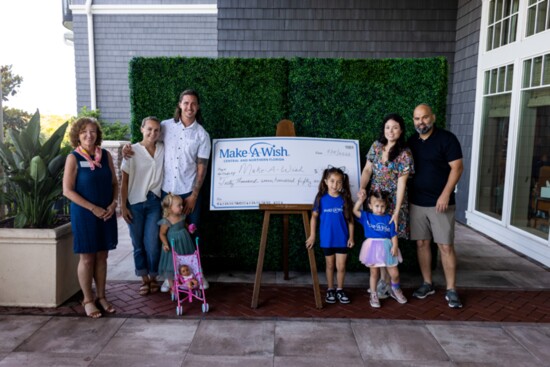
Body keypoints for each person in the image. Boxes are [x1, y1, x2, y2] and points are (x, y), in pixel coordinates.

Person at [123, 89, 211, 291]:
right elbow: (146, 139)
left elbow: (201, 167)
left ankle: (198, 273)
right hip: (167, 193)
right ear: (179, 104)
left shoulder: (202, 135)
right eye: (186, 103)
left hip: (189, 192)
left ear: (198, 107)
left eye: (193, 104)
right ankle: (170, 276)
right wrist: (127, 148)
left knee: (192, 233)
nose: (189, 107)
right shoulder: (165, 126)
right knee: (168, 235)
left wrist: (194, 195)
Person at [408, 103, 464, 309]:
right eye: (416, 118)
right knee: (422, 243)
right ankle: (427, 283)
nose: (420, 122)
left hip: (441, 203)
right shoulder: (411, 142)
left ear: (433, 117)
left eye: (424, 117)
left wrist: (445, 194)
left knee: (445, 246)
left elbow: (457, 168)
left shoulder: (447, 139)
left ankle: (451, 289)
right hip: (416, 202)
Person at [63, 117, 118, 318]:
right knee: (87, 258)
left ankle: (102, 296)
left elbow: (114, 183)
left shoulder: (105, 156)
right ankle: (88, 299)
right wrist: (93, 208)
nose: (89, 135)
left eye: (93, 131)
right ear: (77, 135)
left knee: (103, 255)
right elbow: (67, 191)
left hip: (106, 213)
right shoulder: (73, 158)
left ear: (98, 135)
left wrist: (113, 204)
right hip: (85, 214)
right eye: (84, 131)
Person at [358, 113, 413, 299]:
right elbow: (367, 169)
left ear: (401, 130)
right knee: (378, 241)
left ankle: (390, 284)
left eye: (395, 127)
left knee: (390, 242)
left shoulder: (405, 153)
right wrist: (362, 188)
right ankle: (382, 284)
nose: (391, 131)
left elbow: (402, 184)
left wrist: (396, 212)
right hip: (375, 201)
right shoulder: (376, 146)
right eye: (388, 127)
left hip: (393, 204)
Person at [120, 116, 164, 296]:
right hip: (135, 203)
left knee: (153, 243)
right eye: (149, 129)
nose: (152, 133)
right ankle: (144, 278)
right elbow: (124, 181)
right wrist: (123, 206)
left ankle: (153, 276)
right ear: (142, 129)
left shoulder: (163, 149)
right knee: (137, 243)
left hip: (154, 202)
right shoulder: (132, 151)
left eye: (156, 130)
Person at [306, 167, 355, 304]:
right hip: (327, 239)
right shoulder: (321, 198)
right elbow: (314, 217)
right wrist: (312, 236)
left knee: (341, 266)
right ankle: (330, 289)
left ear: (342, 183)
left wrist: (351, 237)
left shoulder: (344, 199)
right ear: (326, 181)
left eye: (339, 182)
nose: (335, 185)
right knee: (329, 265)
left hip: (342, 239)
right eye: (332, 181)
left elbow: (350, 221)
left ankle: (340, 289)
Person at [354, 191, 407, 308]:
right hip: (372, 247)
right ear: (370, 206)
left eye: (382, 206)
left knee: (395, 273)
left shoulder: (389, 218)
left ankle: (395, 289)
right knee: (374, 273)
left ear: (386, 206)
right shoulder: (367, 216)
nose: (379, 209)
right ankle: (374, 294)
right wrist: (360, 201)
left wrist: (395, 246)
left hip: (387, 247)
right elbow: (354, 211)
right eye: (376, 206)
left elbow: (393, 234)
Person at [157, 193, 197, 295]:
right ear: (170, 209)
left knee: (185, 261)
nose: (182, 207)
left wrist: (190, 229)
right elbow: (162, 234)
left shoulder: (182, 216)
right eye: (179, 205)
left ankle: (186, 280)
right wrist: (165, 244)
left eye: (182, 205)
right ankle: (172, 287)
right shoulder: (166, 221)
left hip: (184, 242)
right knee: (172, 265)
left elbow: (185, 225)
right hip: (172, 245)